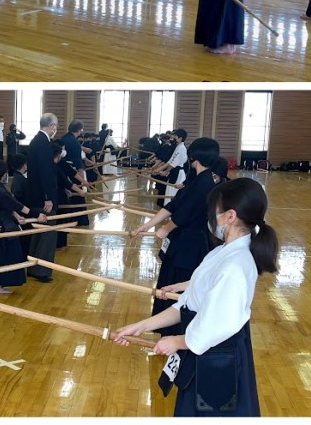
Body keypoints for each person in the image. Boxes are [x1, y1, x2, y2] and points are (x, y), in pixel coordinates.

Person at [114, 177, 278, 417]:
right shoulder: (221, 253)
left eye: (214, 211)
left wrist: (176, 342)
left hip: (218, 357)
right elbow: (186, 304)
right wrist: (141, 326)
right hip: (202, 351)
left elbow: (215, 326)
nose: (210, 217)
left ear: (230, 216)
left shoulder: (235, 267)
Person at [134, 137, 221, 333]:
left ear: (195, 156)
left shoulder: (205, 183)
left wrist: (166, 229)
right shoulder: (198, 178)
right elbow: (174, 206)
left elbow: (185, 213)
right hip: (182, 240)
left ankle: (177, 331)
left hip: (190, 245)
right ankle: (167, 329)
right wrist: (147, 225)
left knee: (177, 283)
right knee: (169, 280)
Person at [0, 159, 46, 293]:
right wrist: (37, 216)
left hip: (6, 224)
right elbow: (17, 205)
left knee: (3, 254)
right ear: (3, 174)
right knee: (4, 255)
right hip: (3, 227)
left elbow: (9, 206)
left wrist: (17, 217)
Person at [25, 113, 60, 282]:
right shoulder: (43, 143)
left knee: (38, 232)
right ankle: (41, 271)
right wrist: (48, 197)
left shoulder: (36, 141)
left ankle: (33, 267)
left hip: (35, 195)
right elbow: (44, 173)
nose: (56, 129)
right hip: (43, 196)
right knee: (47, 233)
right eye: (56, 126)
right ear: (51, 126)